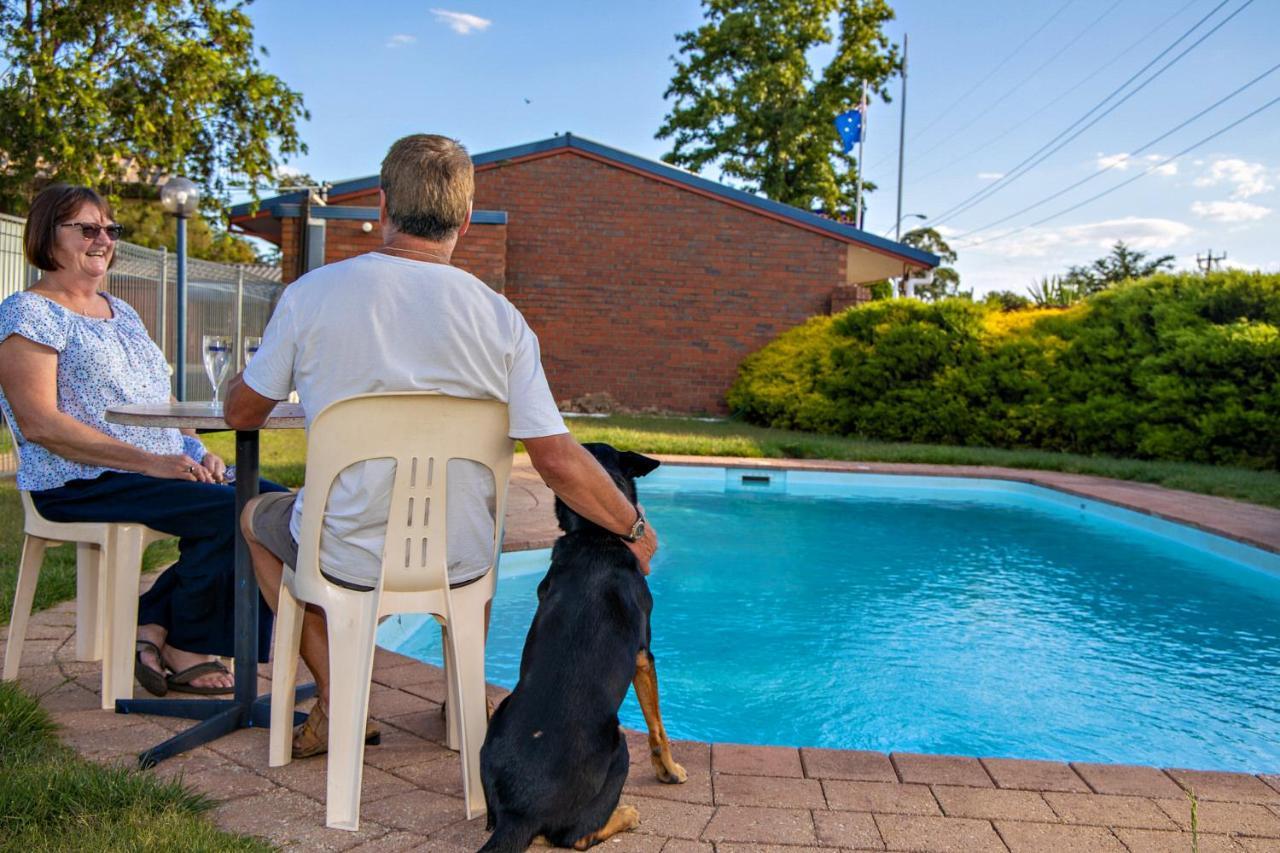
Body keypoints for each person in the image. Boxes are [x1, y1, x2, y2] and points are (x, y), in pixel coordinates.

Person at [226, 133, 658, 758]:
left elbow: (243, 412)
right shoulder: (501, 319)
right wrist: (633, 526)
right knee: (469, 530)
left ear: (382, 205)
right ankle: (463, 707)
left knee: (255, 518)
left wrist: (246, 376)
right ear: (464, 220)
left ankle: (338, 699)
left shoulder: (311, 296)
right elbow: (557, 456)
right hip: (459, 558)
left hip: (345, 552)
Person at [0, 183, 289, 696]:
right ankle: (186, 643)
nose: (103, 239)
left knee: (271, 504)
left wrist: (197, 452)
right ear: (48, 235)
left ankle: (151, 621)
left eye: (110, 229)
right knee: (234, 512)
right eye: (87, 229)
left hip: (148, 468)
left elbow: (158, 402)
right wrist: (148, 463)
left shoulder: (122, 312)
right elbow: (39, 423)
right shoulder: (28, 313)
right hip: (78, 480)